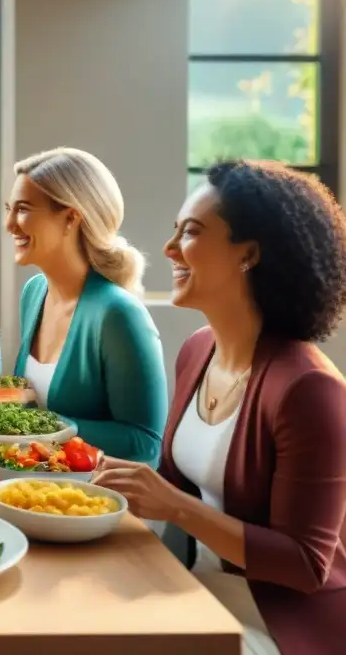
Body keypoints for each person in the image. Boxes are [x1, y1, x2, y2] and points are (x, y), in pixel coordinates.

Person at [95, 160, 346, 655]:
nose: (168, 249)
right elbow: (174, 485)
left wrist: (173, 506)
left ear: (248, 254)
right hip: (200, 591)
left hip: (281, 626)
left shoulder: (311, 390)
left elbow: (305, 563)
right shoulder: (197, 349)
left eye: (190, 232)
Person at [7, 148, 167, 464]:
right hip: (34, 488)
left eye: (23, 210)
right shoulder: (34, 292)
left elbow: (146, 443)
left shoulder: (118, 315)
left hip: (94, 503)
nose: (10, 224)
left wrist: (47, 425)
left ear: (71, 218)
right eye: (9, 209)